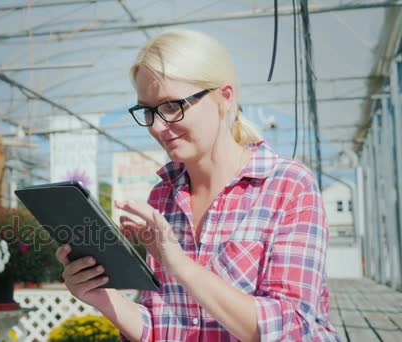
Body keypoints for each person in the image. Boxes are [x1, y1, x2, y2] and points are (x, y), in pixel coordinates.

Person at [55, 29, 340, 341]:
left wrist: (181, 265)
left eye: (171, 106)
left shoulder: (286, 186)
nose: (159, 126)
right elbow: (162, 325)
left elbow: (295, 328)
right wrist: (100, 296)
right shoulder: (163, 195)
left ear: (224, 97)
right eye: (147, 110)